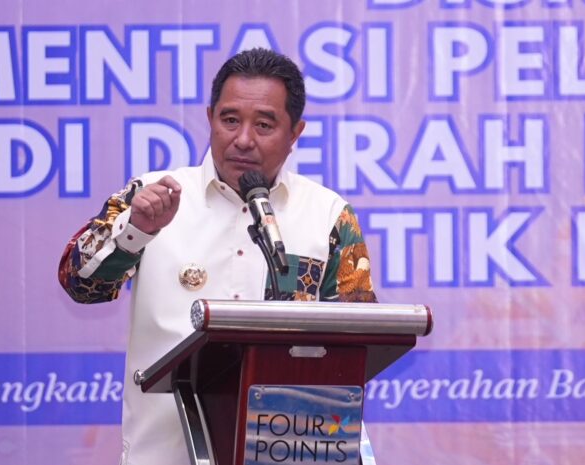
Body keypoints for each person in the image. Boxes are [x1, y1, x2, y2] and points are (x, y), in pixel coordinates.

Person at [58, 48, 377, 464]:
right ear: (210, 118)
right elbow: (79, 283)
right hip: (167, 454)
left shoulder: (329, 215)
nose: (243, 139)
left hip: (289, 450)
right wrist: (136, 230)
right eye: (229, 120)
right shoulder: (151, 196)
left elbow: (359, 344)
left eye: (264, 125)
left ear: (295, 133)